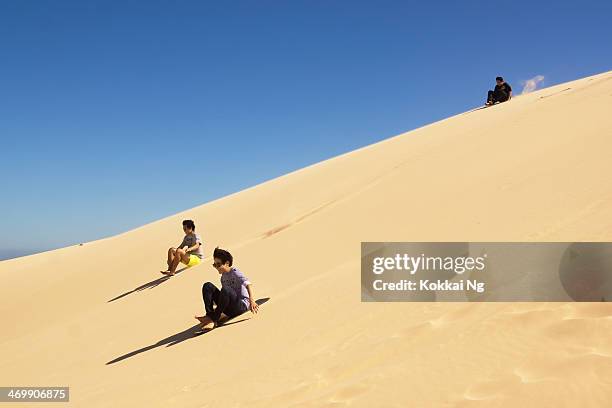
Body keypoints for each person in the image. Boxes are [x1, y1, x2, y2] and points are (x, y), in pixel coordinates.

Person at [195, 247, 258, 330]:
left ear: (227, 263)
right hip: (230, 309)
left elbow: (248, 284)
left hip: (241, 306)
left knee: (226, 289)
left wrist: (252, 301)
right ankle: (210, 315)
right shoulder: (223, 278)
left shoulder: (235, 272)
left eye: (218, 264)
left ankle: (213, 319)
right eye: (214, 265)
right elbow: (224, 298)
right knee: (207, 286)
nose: (216, 267)